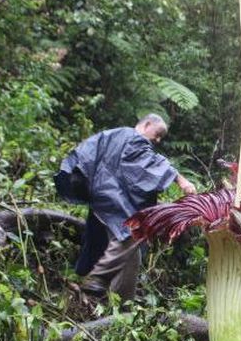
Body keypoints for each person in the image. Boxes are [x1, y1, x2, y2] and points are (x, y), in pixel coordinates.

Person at [54, 114, 197, 297]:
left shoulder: (114, 134)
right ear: (146, 125)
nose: (158, 140)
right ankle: (97, 277)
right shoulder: (133, 138)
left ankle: (123, 307)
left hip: (101, 198)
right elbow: (154, 164)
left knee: (132, 254)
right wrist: (182, 180)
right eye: (158, 133)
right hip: (111, 197)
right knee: (132, 231)